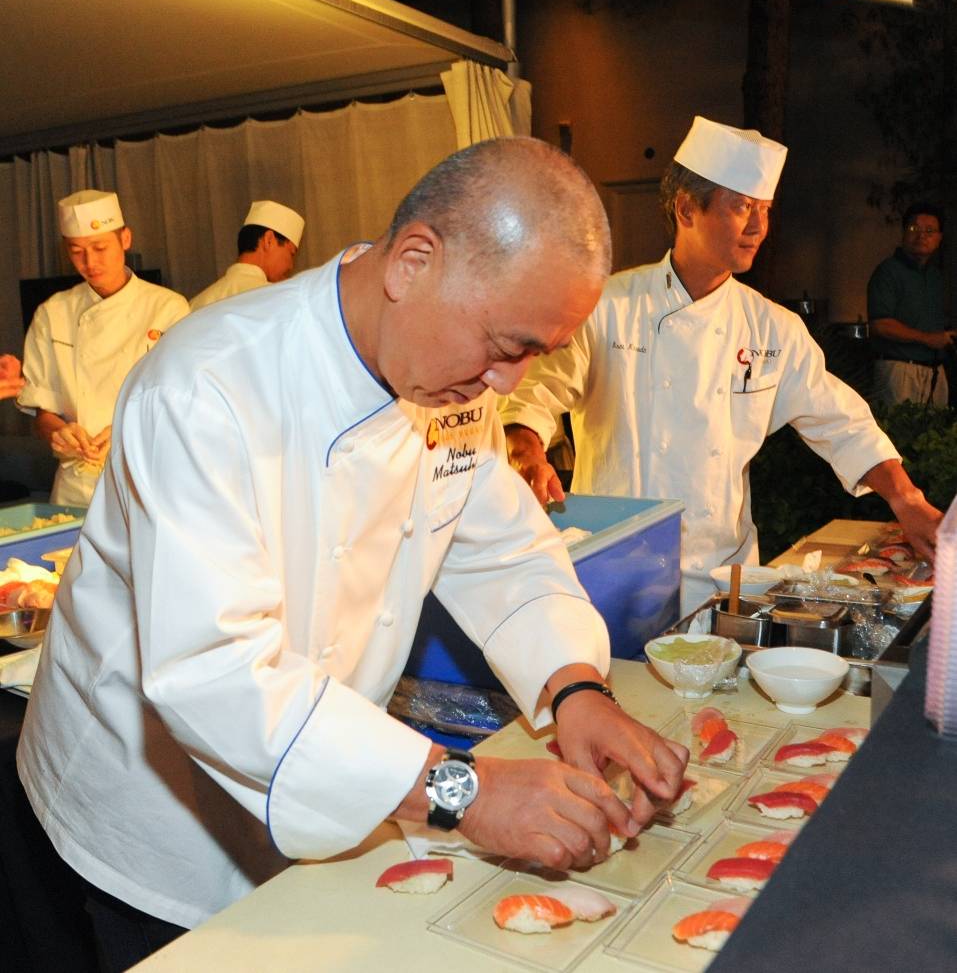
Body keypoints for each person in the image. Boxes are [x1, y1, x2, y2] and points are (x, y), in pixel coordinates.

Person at [17, 138, 688, 968]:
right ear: (413, 261)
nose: (509, 385)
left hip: (330, 768)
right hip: (154, 803)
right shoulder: (206, 385)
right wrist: (462, 790)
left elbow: (502, 552)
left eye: (533, 355)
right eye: (507, 344)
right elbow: (218, 670)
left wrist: (576, 688)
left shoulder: (447, 377)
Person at [501, 116, 944, 617]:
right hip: (613, 571)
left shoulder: (770, 327)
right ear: (686, 208)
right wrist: (526, 449)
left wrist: (907, 500)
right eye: (741, 207)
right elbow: (532, 397)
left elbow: (842, 423)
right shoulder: (607, 306)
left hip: (722, 579)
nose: (758, 226)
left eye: (766, 210)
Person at [16, 190, 190, 506]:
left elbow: (183, 403)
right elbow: (42, 414)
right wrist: (60, 432)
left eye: (100, 247)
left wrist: (128, 426)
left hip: (147, 480)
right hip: (76, 487)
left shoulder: (168, 308)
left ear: (125, 239)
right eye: (77, 251)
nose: (90, 262)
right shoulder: (53, 313)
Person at [867, 202, 955, 407]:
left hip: (935, 370)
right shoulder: (888, 271)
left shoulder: (936, 277)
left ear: (939, 238)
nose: (922, 235)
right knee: (897, 435)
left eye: (930, 230)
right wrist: (927, 339)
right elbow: (880, 325)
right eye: (914, 228)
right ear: (904, 233)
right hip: (899, 369)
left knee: (935, 437)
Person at [188, 200, 305, 310]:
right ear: (269, 240)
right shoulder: (276, 298)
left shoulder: (195, 304)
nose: (291, 266)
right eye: (291, 253)